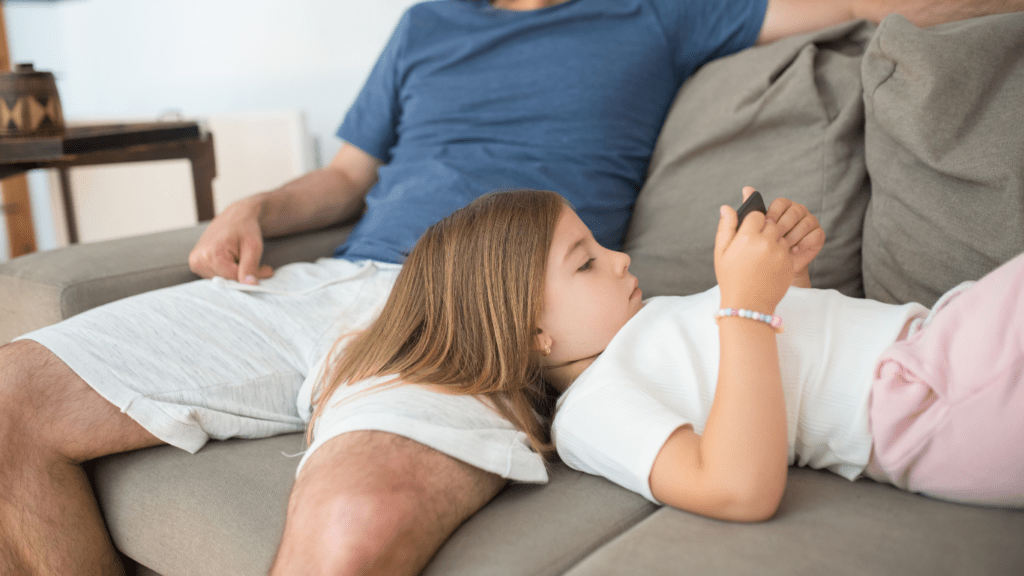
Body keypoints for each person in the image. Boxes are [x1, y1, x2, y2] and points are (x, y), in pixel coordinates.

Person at [2, 1, 1022, 575]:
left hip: (483, 318)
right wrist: (256, 205)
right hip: (326, 280)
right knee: (9, 402)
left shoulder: (651, 13)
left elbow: (849, 4)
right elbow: (348, 178)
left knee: (348, 538)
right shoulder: (423, 27)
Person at [330, 188, 1022, 524]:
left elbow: (779, 376)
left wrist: (787, 281)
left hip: (939, 349)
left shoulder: (645, 328)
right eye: (586, 264)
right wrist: (745, 306)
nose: (621, 257)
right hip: (932, 398)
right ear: (532, 335)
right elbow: (738, 487)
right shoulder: (590, 413)